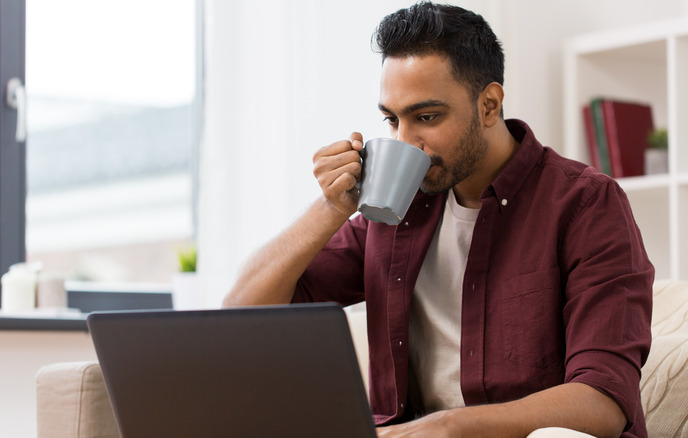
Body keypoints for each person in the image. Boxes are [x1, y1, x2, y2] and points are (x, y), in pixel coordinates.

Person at [223, 2, 654, 437]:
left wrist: (449, 427)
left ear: (489, 105)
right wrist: (333, 206)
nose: (406, 142)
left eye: (426, 117)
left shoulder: (585, 204)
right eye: (393, 120)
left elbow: (603, 400)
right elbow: (242, 315)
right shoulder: (395, 210)